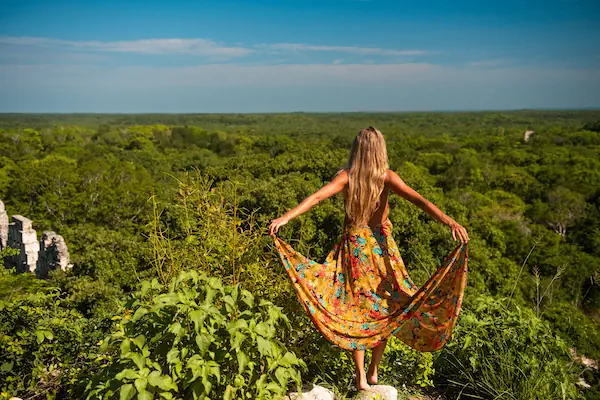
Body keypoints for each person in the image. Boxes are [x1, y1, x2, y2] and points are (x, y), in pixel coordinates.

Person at [269, 127, 469, 391]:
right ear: (379, 150)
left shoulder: (346, 177)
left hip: (355, 250)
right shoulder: (386, 177)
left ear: (357, 149)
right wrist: (449, 221)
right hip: (381, 249)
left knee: (359, 310)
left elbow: (317, 197)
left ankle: (362, 377)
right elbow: (420, 201)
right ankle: (374, 371)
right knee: (384, 308)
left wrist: (286, 216)